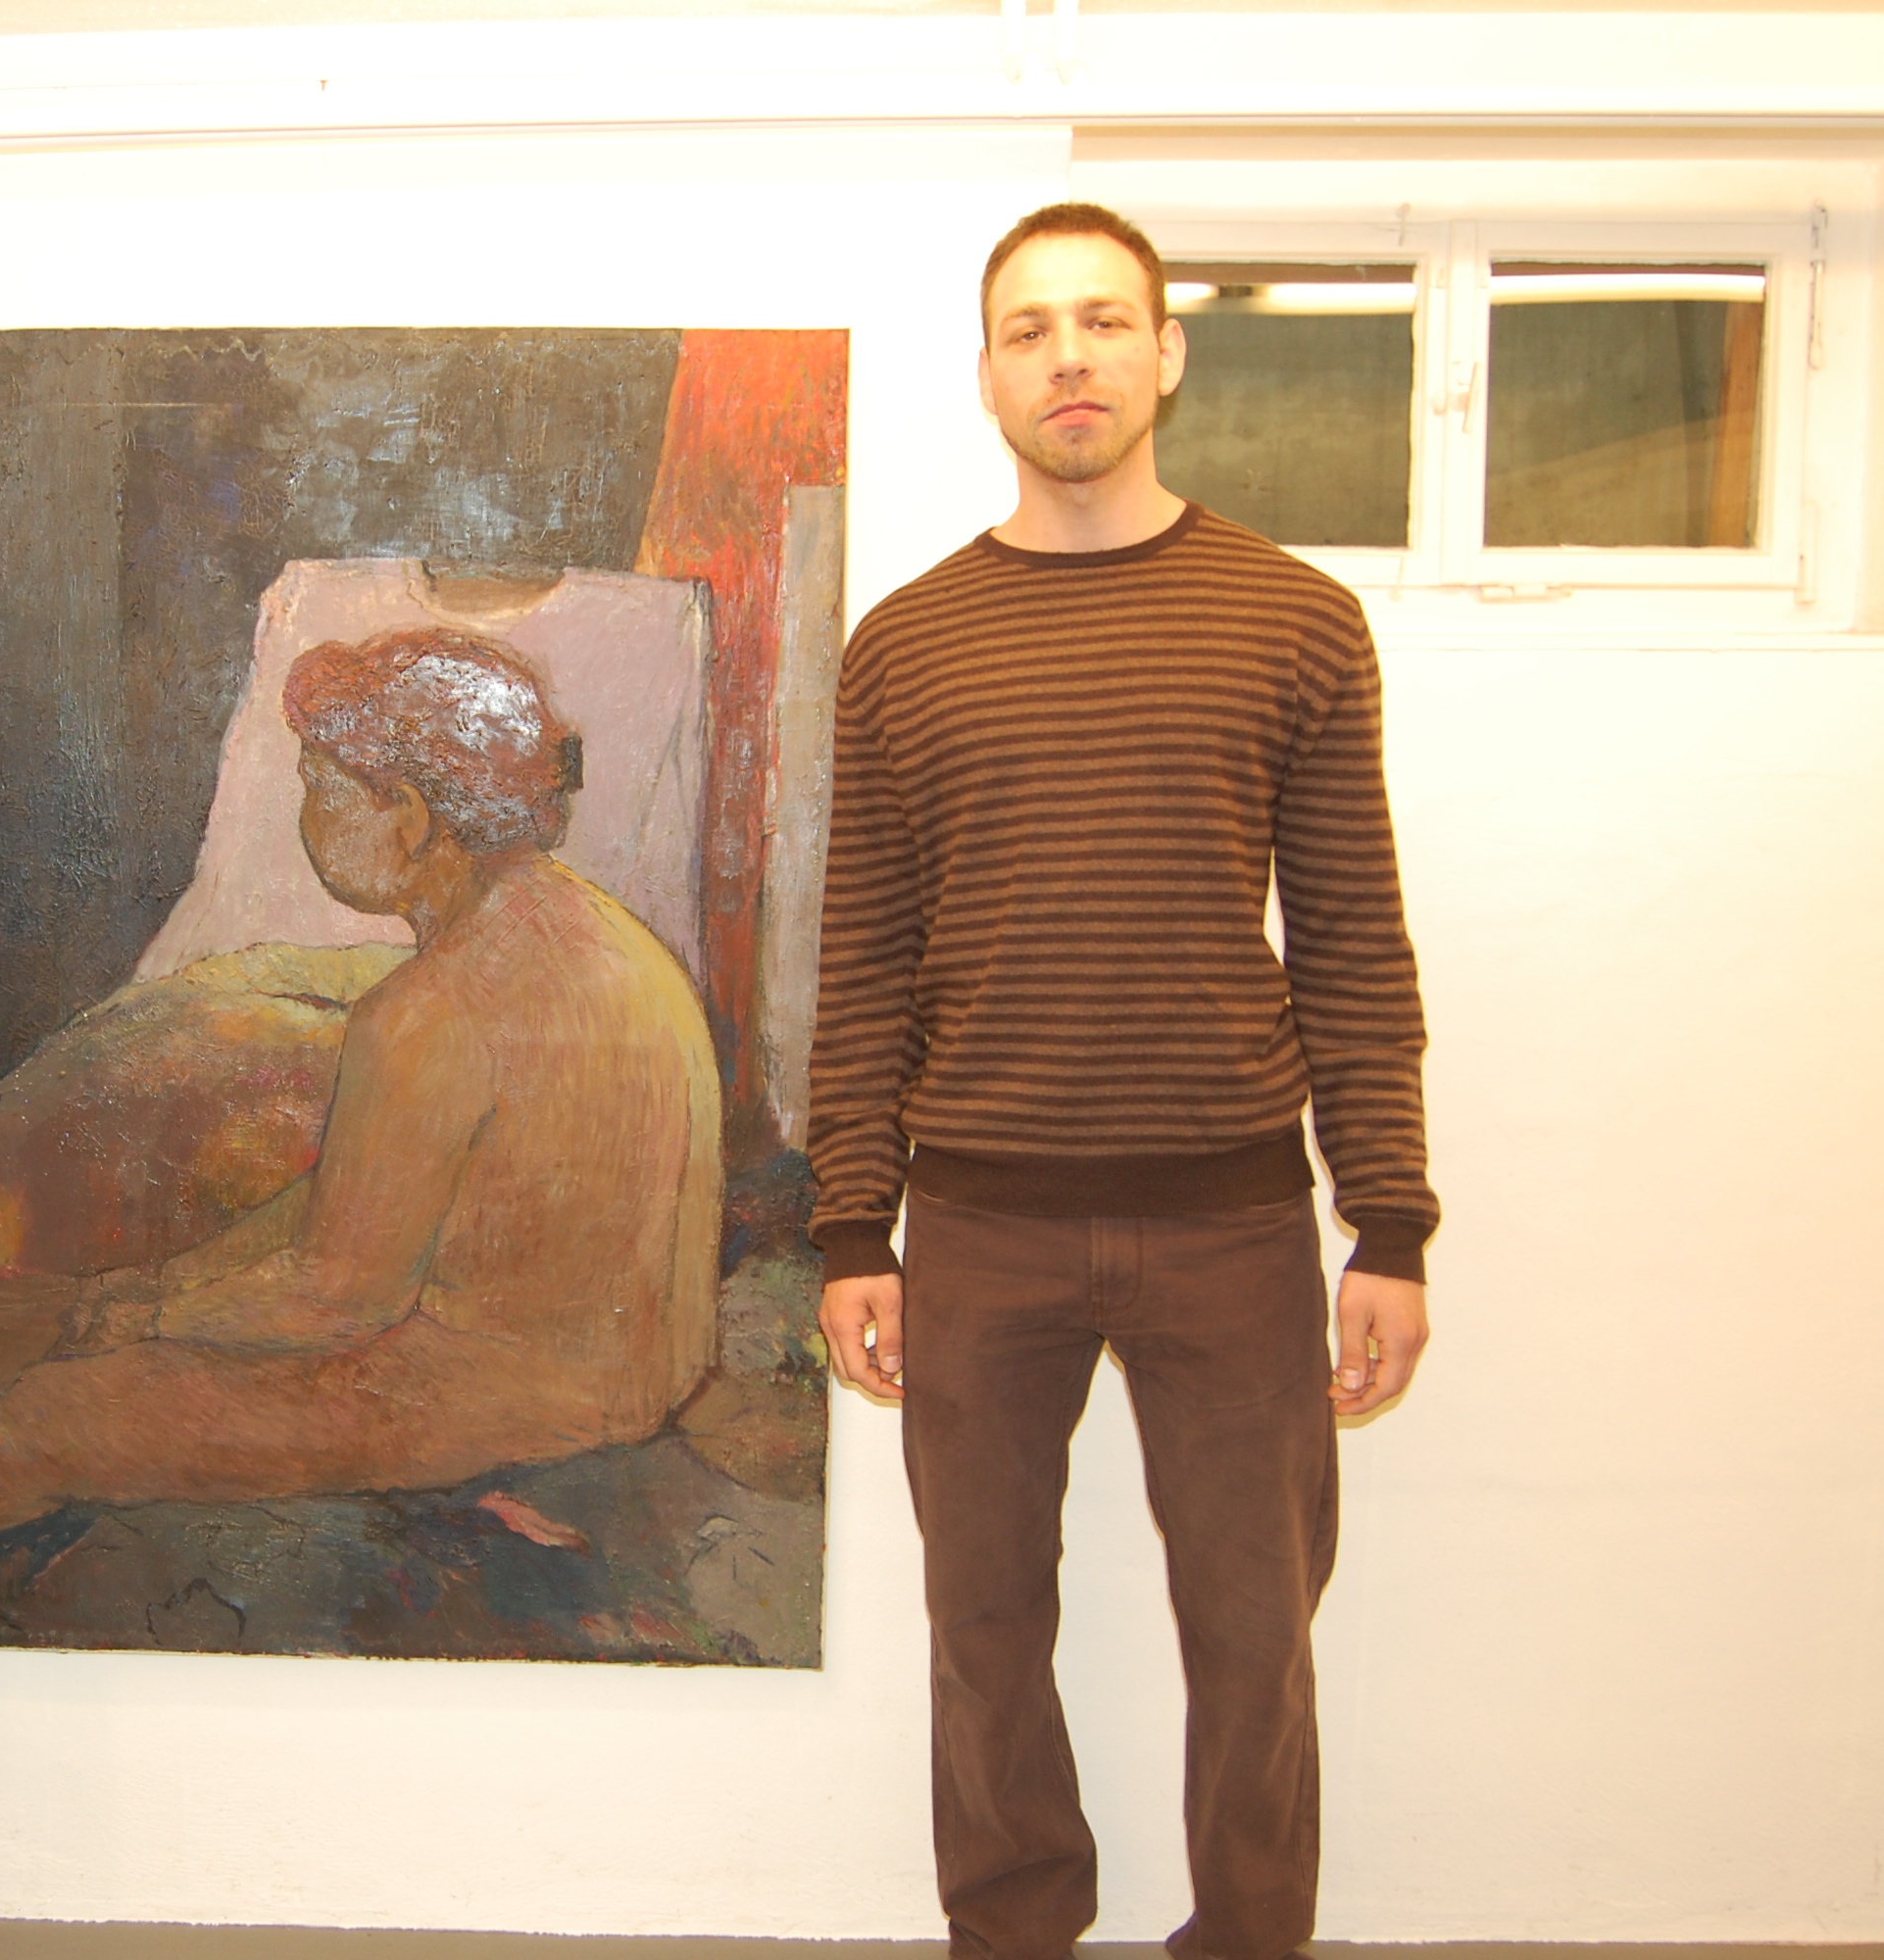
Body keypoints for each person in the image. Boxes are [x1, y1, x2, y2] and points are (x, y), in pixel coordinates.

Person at [808, 202, 1437, 1960]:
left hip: (1233, 1229)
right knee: (983, 1632)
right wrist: (852, 1225)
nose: (1067, 356)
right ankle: (1014, 1933)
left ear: (1166, 354)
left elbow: (1351, 942)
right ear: (988, 373)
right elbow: (863, 959)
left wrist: (1388, 1225)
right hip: (978, 1227)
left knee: (1256, 1640)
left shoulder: (1295, 623)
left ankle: (1250, 1939)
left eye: (1102, 321)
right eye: (1029, 329)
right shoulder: (906, 648)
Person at [0, 625, 720, 1546]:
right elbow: (350, 1210)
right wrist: (151, 1286)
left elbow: (333, 1298)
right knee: (51, 1316)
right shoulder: (611, 942)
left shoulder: (428, 1012)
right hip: (636, 1372)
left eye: (321, 787)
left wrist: (153, 1317)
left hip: (509, 1391)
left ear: (409, 816)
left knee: (60, 1415)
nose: (307, 815)